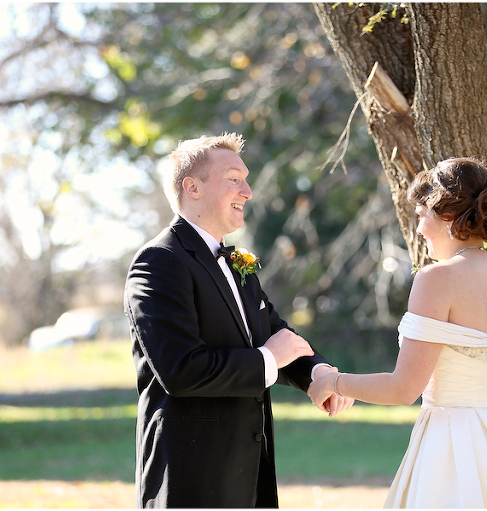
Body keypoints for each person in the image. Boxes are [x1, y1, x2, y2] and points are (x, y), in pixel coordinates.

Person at [308, 157, 487, 508]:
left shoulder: (436, 280)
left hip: (451, 446)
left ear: (447, 214)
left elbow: (403, 389)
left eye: (421, 215)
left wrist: (333, 382)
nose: (419, 229)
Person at [124, 133, 353, 508]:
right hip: (192, 480)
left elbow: (274, 333)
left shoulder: (236, 263)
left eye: (246, 180)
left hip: (250, 475)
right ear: (192, 187)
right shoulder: (159, 261)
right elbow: (182, 370)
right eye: (234, 179)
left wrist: (319, 374)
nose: (247, 191)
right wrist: (269, 359)